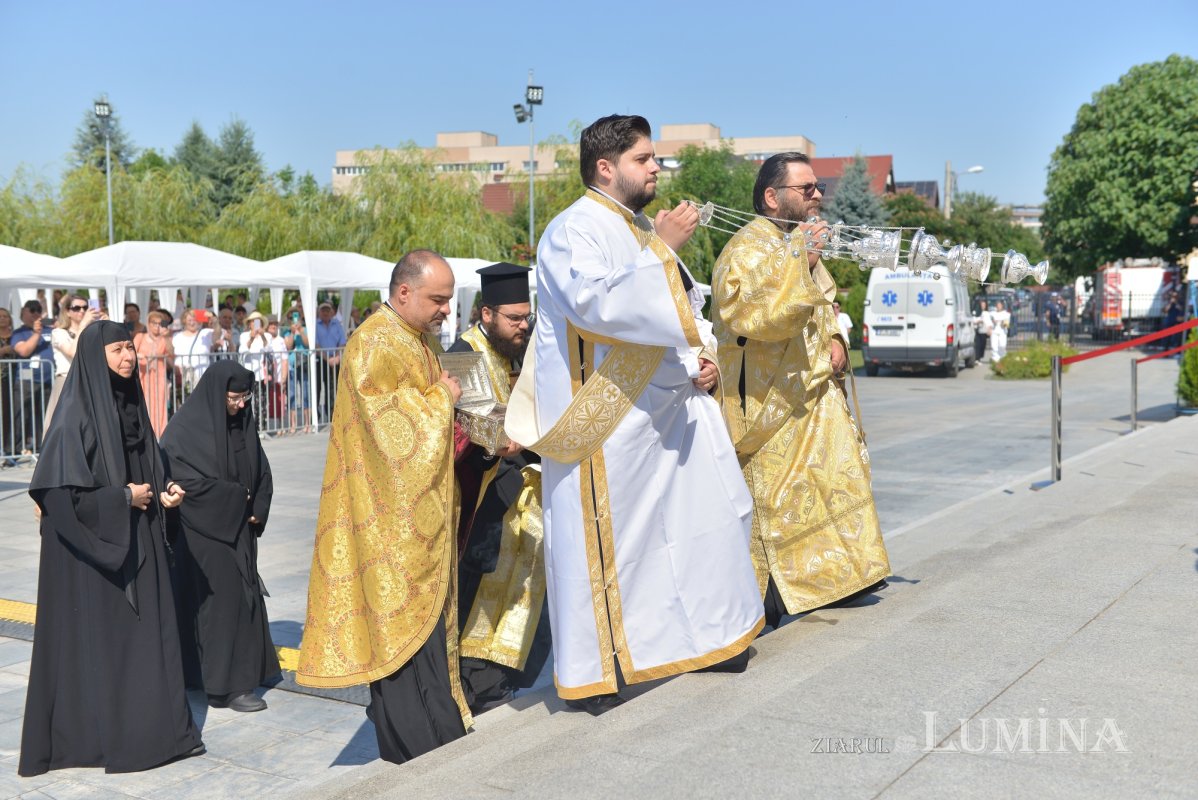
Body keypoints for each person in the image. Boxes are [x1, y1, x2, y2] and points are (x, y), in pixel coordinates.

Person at [505, 114, 763, 714]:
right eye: (644, 159)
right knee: (613, 551)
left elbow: (685, 311)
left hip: (669, 412)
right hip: (608, 427)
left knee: (704, 527)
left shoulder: (638, 226)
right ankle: (603, 673)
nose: (656, 169)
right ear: (606, 166)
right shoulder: (573, 230)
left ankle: (712, 639)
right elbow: (598, 305)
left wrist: (705, 356)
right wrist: (664, 248)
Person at [298, 250, 472, 764]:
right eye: (438, 299)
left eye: (448, 300)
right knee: (402, 643)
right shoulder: (376, 341)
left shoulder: (415, 339)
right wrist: (442, 397)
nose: (446, 310)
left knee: (428, 643)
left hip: (417, 520)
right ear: (404, 293)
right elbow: (391, 435)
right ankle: (417, 748)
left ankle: (439, 733)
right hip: (389, 529)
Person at [711, 152, 892, 629]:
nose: (816, 195)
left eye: (818, 188)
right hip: (773, 402)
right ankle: (786, 595)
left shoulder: (795, 242)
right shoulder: (745, 248)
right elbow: (749, 318)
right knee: (784, 501)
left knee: (834, 482)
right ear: (773, 197)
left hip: (812, 394)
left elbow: (826, 304)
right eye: (805, 188)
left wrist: (836, 339)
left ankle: (842, 576)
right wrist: (800, 263)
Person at [19, 321, 201, 776]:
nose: (128, 357)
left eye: (130, 348)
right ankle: (120, 737)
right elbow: (59, 497)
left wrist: (164, 492)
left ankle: (162, 732)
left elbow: (151, 464)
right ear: (96, 355)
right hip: (97, 557)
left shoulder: (132, 407)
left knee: (148, 640)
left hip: (139, 543)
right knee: (112, 650)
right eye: (118, 349)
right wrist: (122, 499)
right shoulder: (75, 415)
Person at [448, 262, 551, 713]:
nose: (523, 326)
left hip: (521, 492)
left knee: (516, 594)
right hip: (481, 497)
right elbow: (470, 423)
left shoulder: (521, 350)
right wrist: (513, 435)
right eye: (514, 319)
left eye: (526, 317)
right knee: (478, 592)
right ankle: (474, 686)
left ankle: (499, 678)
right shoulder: (461, 351)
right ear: (486, 314)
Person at [160, 360, 279, 713]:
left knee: (243, 601)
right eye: (234, 398)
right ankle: (226, 688)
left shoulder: (241, 421)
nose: (241, 405)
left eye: (246, 398)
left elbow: (260, 466)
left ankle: (246, 672)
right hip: (203, 534)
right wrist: (234, 498)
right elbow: (180, 479)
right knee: (222, 607)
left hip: (238, 530)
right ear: (216, 394)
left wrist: (258, 502)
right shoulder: (184, 430)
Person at [46, 293, 102, 429]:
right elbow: (72, 353)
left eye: (85, 307)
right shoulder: (59, 332)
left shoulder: (92, 331)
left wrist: (104, 326)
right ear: (67, 312)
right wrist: (83, 325)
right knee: (62, 425)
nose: (82, 311)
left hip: (88, 381)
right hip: (66, 381)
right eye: (76, 308)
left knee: (88, 425)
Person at [10, 300, 54, 452]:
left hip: (48, 380)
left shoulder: (50, 329)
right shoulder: (18, 332)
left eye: (38, 310)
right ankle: (15, 449)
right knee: (21, 414)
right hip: (26, 380)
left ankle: (42, 448)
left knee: (45, 416)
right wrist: (36, 333)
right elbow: (24, 351)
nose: (36, 313)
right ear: (23, 312)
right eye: (32, 309)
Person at [136, 309, 175, 437]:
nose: (157, 326)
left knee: (160, 405)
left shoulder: (164, 339)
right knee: (145, 404)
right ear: (148, 323)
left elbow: (171, 354)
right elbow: (131, 352)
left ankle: (160, 434)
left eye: (160, 323)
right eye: (154, 323)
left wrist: (166, 337)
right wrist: (139, 356)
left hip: (159, 377)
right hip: (144, 377)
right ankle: (145, 433)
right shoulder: (140, 337)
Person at [313, 300, 346, 425]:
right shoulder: (315, 325)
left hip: (335, 359)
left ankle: (332, 413)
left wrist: (337, 357)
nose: (326, 312)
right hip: (320, 360)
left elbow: (342, 342)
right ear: (319, 312)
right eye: (323, 310)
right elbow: (315, 344)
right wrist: (328, 358)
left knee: (333, 388)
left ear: (331, 312)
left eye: (328, 310)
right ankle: (316, 414)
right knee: (318, 387)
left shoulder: (336, 324)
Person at [172, 309, 214, 394]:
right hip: (182, 377)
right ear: (184, 321)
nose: (192, 323)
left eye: (194, 320)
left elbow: (218, 334)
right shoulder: (176, 336)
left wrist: (214, 320)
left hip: (202, 376)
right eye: (189, 320)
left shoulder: (206, 333)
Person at [284, 305, 312, 432]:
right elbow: (288, 347)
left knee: (306, 393)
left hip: (304, 363)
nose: (294, 319)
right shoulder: (286, 331)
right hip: (292, 365)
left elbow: (307, 344)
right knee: (292, 394)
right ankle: (293, 424)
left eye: (296, 316)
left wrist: (300, 331)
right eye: (291, 317)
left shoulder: (305, 329)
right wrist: (291, 332)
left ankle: (307, 423)